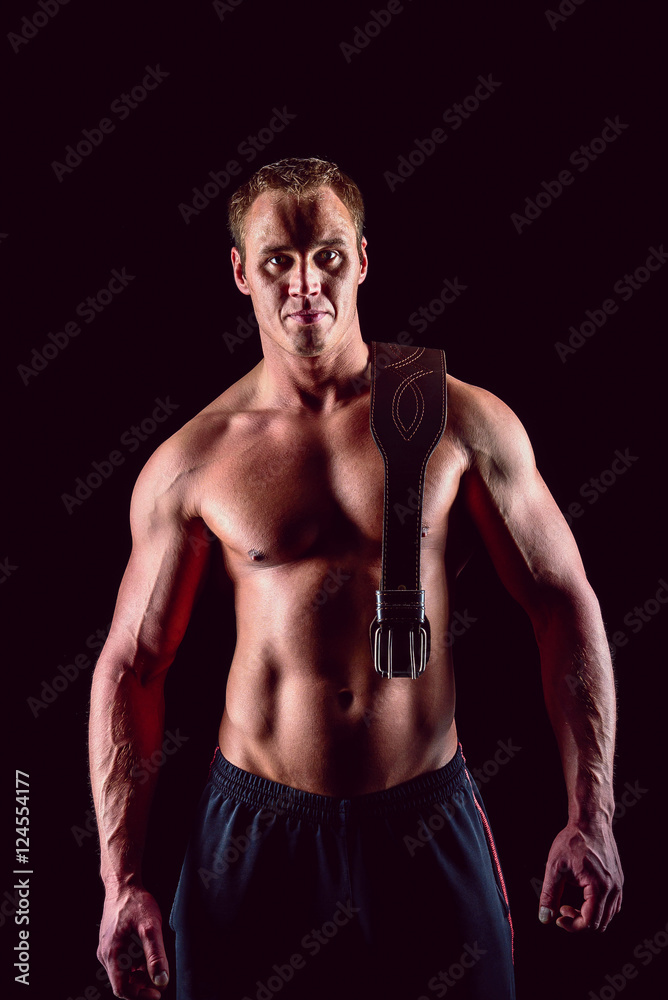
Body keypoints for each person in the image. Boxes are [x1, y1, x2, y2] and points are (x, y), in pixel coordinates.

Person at [89, 157, 623, 1000]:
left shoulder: (459, 419)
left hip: (423, 817)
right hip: (252, 830)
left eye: (328, 254)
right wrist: (121, 884)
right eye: (278, 259)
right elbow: (132, 665)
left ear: (363, 259)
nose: (306, 281)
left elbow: (564, 605)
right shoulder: (195, 461)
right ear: (240, 272)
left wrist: (592, 814)